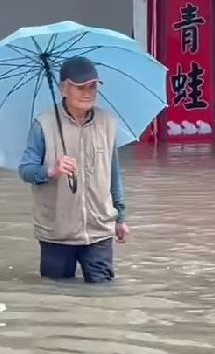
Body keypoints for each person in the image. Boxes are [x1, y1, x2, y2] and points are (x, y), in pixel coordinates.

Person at [18, 56, 130, 283]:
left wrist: (121, 217)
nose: (88, 93)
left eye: (92, 86)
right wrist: (52, 170)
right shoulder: (44, 124)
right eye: (80, 87)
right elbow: (26, 170)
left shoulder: (107, 123)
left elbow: (113, 175)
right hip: (57, 232)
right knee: (58, 295)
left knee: (102, 294)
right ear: (64, 89)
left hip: (99, 229)